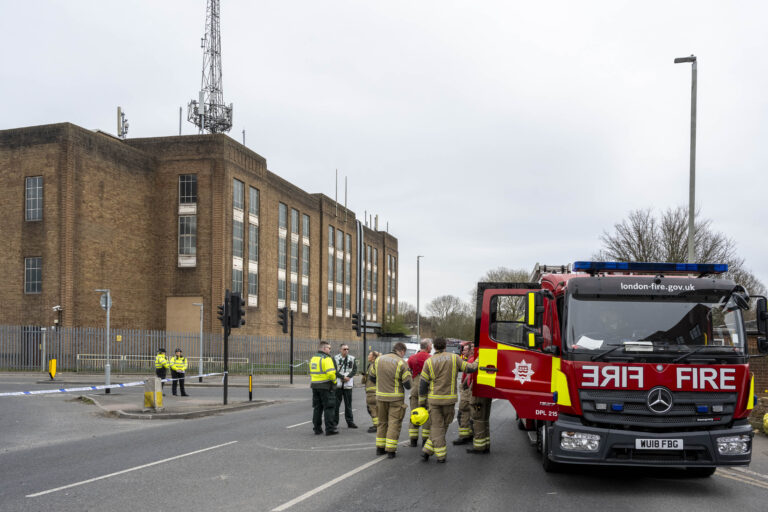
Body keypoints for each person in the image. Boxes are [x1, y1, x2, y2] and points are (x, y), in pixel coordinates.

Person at [419, 337, 478, 463]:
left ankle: (427, 450)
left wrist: (421, 402)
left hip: (434, 400)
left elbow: (423, 384)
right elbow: (470, 368)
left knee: (437, 426)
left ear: (434, 347)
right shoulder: (454, 358)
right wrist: (479, 359)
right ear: (445, 346)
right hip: (449, 400)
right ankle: (440, 456)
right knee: (442, 425)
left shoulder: (429, 362)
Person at [370, 342, 412, 458]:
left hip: (380, 397)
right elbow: (408, 385)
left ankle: (380, 448)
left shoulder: (379, 360)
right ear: (402, 351)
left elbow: (372, 377)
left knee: (382, 422)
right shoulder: (401, 362)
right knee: (394, 423)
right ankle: (391, 450)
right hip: (395, 399)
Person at [407, 339, 432, 446]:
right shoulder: (431, 358)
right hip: (427, 389)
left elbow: (408, 371)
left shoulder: (412, 358)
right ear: (428, 347)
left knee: (415, 413)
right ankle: (425, 440)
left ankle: (413, 440)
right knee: (427, 414)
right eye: (431, 346)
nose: (431, 348)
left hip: (415, 388)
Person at [310, 340, 338, 436]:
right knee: (329, 407)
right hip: (326, 386)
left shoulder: (313, 358)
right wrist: (335, 381)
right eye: (329, 348)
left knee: (317, 408)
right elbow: (331, 373)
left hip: (315, 385)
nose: (330, 350)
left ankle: (317, 429)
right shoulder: (327, 359)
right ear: (324, 348)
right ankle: (330, 429)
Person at [453, 342, 475, 445]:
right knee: (468, 413)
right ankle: (469, 434)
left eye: (465, 350)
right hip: (468, 389)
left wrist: (464, 385)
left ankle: (464, 436)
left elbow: (468, 376)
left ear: (470, 351)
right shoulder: (471, 360)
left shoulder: (471, 360)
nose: (463, 352)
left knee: (463, 412)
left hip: (467, 391)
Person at [333, 343, 358, 428]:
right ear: (340, 350)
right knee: (336, 405)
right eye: (344, 349)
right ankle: (334, 422)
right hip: (338, 384)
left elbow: (354, 369)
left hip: (348, 384)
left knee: (348, 404)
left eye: (347, 349)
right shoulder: (335, 358)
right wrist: (342, 377)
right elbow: (334, 370)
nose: (346, 351)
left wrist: (348, 377)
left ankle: (350, 422)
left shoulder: (352, 358)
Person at [361, 350, 380, 433]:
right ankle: (378, 425)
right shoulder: (372, 365)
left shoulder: (374, 366)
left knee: (372, 409)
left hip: (372, 392)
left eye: (370, 355)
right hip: (371, 392)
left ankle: (376, 426)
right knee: (373, 409)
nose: (368, 356)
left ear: (374, 357)